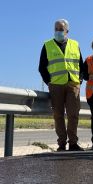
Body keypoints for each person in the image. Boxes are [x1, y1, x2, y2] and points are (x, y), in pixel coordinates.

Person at [38, 19, 85, 152]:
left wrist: (79, 81)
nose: (58, 31)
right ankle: (62, 143)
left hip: (73, 84)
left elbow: (81, 66)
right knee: (58, 115)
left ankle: (73, 143)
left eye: (61, 29)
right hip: (56, 85)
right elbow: (42, 67)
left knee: (73, 114)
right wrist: (49, 82)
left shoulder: (75, 44)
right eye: (56, 29)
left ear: (67, 31)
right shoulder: (47, 45)